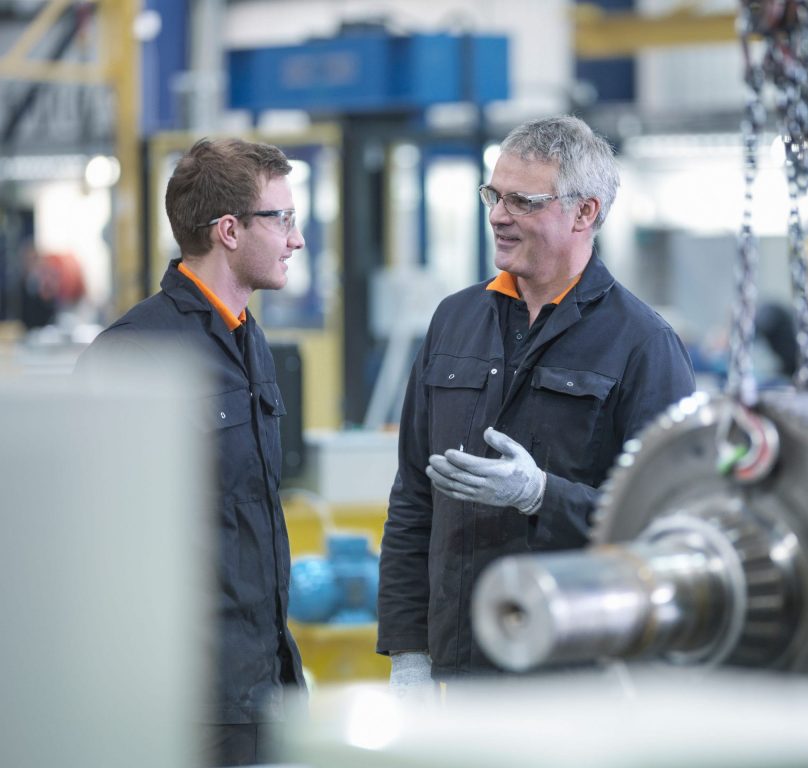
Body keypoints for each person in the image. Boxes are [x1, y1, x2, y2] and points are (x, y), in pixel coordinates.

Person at [376, 116, 696, 690]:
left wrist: (543, 496)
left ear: (585, 213)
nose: (498, 216)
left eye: (523, 201)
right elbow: (413, 500)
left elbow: (669, 527)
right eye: (494, 195)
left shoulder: (643, 345)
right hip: (464, 663)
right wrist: (408, 652)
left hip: (575, 675)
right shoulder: (454, 321)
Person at [75, 138, 307, 766]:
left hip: (263, 684)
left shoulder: (247, 338)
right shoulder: (136, 354)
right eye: (282, 218)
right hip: (187, 701)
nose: (296, 238)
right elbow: (94, 547)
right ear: (229, 231)